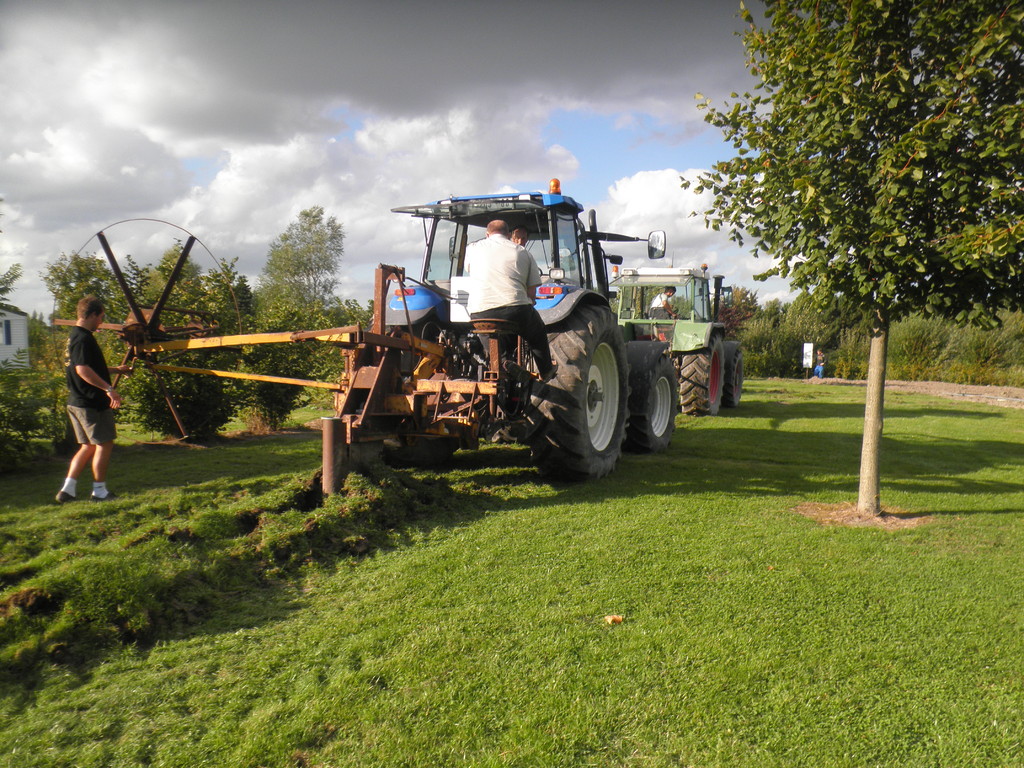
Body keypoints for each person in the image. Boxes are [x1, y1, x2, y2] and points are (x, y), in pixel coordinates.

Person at [55, 296, 129, 503]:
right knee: (104, 444)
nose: (101, 322)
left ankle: (67, 491)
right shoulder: (84, 338)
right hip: (90, 403)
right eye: (101, 317)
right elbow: (82, 369)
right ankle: (99, 491)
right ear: (93, 314)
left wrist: (116, 370)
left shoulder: (74, 336)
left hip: (77, 401)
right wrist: (108, 389)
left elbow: (86, 365)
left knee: (87, 446)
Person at [465, 219, 555, 377]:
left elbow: (470, 269)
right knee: (537, 330)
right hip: (514, 311)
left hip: (479, 313)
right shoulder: (521, 252)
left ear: (487, 234)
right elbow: (531, 293)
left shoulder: (472, 248)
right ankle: (546, 370)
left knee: (487, 333)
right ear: (508, 235)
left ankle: (500, 365)